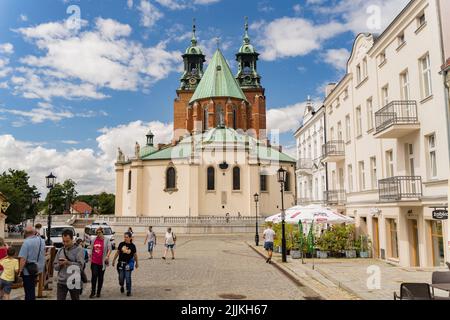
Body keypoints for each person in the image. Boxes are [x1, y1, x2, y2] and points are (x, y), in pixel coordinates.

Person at [53, 228, 85, 300]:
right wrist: (60, 264)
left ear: (72, 239)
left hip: (74, 281)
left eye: (67, 241)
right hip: (61, 281)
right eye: (63, 241)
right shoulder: (60, 250)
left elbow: (80, 266)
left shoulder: (79, 250)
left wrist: (68, 263)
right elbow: (55, 267)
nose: (65, 243)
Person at [18, 226, 45, 301]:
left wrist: (20, 271)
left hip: (28, 270)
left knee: (28, 291)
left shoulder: (26, 242)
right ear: (34, 232)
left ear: (25, 234)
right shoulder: (41, 240)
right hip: (37, 268)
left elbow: (23, 259)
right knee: (32, 289)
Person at [112, 232, 138, 297]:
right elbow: (117, 252)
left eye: (126, 237)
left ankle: (128, 291)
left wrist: (137, 263)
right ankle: (121, 285)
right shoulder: (121, 244)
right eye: (124, 237)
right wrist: (114, 260)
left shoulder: (133, 246)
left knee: (128, 277)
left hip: (128, 264)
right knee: (121, 278)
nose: (125, 238)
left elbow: (135, 255)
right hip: (120, 264)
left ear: (130, 238)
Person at [89, 227, 111, 299]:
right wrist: (90, 255)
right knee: (94, 276)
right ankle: (93, 291)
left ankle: (98, 292)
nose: (98, 234)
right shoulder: (93, 240)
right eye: (97, 233)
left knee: (100, 278)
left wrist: (107, 256)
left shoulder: (107, 240)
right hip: (94, 261)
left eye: (99, 232)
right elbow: (91, 248)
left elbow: (109, 249)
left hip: (102, 262)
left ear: (102, 232)